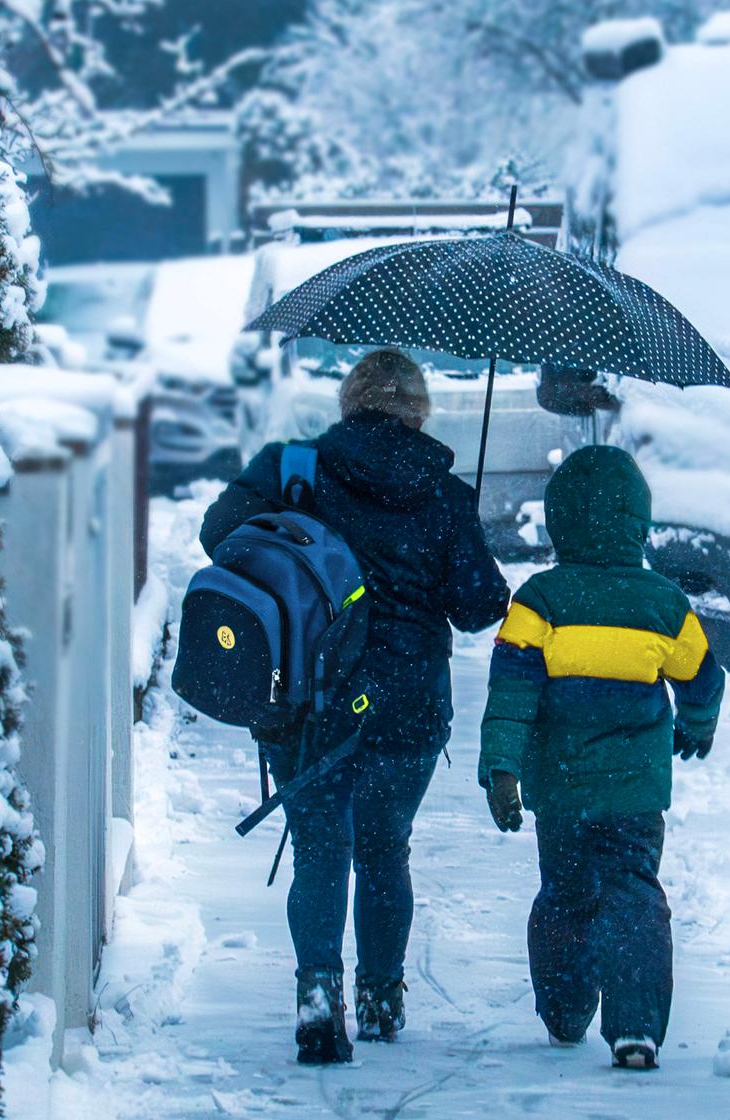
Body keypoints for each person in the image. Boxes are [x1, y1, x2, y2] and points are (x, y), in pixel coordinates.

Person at [201, 348, 510, 1065]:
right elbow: (478, 608)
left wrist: (298, 555)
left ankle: (317, 994)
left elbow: (219, 535)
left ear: (350, 401)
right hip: (406, 705)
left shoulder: (292, 470)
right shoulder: (442, 493)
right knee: (382, 851)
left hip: (309, 695)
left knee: (320, 848)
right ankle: (379, 996)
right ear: (419, 409)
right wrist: (460, 530)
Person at [478, 445, 724, 1071]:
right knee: (634, 893)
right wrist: (697, 723)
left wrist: (502, 771)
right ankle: (636, 1024)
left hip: (560, 790)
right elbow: (702, 678)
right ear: (639, 525)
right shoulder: (664, 604)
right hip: (634, 793)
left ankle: (564, 1012)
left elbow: (510, 693)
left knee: (564, 892)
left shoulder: (539, 602)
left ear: (559, 522)